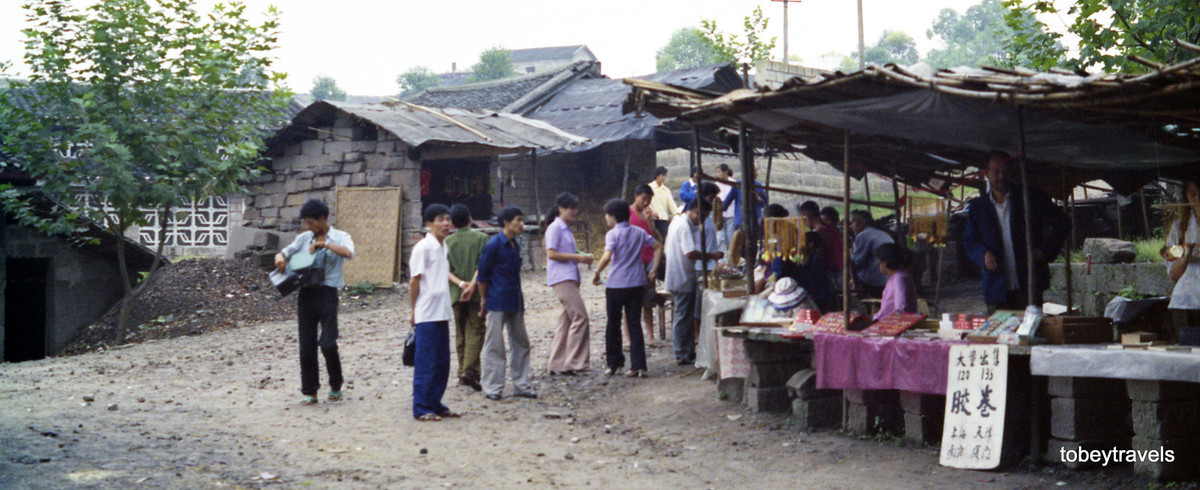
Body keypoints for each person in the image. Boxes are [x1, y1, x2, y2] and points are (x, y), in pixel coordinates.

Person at [962, 151, 1068, 313]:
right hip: (996, 287)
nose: (1001, 176)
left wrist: (1044, 251)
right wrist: (983, 254)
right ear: (986, 174)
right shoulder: (978, 207)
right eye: (996, 171)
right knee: (999, 328)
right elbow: (970, 240)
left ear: (1012, 171)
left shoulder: (1030, 197)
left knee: (1031, 326)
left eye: (1005, 170)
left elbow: (1063, 223)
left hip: (1029, 282)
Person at [275, 199, 355, 406]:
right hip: (306, 294)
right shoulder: (303, 238)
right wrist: (280, 258)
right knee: (307, 345)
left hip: (328, 294)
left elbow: (349, 253)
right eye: (306, 222)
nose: (308, 226)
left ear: (322, 219)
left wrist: (325, 245)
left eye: (311, 222)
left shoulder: (340, 236)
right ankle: (310, 391)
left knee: (328, 343)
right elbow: (285, 252)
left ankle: (336, 385)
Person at [408, 204, 467, 421]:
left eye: (448, 219)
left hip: (441, 311)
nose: (446, 224)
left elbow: (443, 274)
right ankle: (421, 407)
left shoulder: (443, 247)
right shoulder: (423, 247)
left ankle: (435, 402)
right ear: (429, 223)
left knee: (442, 363)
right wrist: (413, 310)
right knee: (427, 362)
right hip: (426, 313)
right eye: (440, 219)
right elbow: (414, 280)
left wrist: (461, 285)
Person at [593, 198, 662, 378]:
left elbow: (607, 256)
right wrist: (653, 269)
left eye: (607, 215)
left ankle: (614, 363)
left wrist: (597, 272)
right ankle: (639, 365)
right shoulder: (639, 232)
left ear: (613, 216)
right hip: (636, 283)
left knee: (613, 324)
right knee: (634, 324)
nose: (606, 218)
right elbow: (657, 247)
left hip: (616, 284)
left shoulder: (612, 234)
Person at [476, 207, 536, 401]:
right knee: (494, 344)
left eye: (522, 220)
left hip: (514, 299)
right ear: (506, 222)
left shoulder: (514, 245)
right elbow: (482, 276)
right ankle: (493, 387)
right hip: (496, 300)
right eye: (518, 220)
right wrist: (484, 299)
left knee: (521, 342)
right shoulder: (493, 245)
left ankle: (522, 384)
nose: (521, 224)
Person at [665, 198, 723, 365]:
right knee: (683, 316)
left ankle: (686, 351)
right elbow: (690, 252)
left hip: (680, 274)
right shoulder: (683, 225)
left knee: (684, 315)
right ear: (696, 212)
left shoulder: (677, 221)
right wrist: (711, 255)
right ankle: (682, 353)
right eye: (702, 217)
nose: (702, 221)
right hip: (681, 276)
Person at [544, 193, 594, 375]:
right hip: (561, 278)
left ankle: (556, 364)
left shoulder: (566, 228)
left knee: (565, 322)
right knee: (581, 317)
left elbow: (568, 251)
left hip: (570, 277)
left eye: (575, 208)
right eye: (570, 208)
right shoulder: (555, 228)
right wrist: (578, 258)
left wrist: (582, 256)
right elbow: (552, 254)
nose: (574, 211)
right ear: (561, 208)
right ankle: (574, 362)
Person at [444, 204, 487, 391]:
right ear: (470, 219)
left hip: (455, 293)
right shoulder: (481, 238)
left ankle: (462, 371)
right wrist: (472, 284)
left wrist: (461, 284)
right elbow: (482, 265)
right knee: (475, 331)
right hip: (476, 293)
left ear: (453, 223)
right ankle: (470, 371)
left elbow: (446, 270)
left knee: (460, 332)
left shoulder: (447, 242)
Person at [1163, 176, 1200, 341]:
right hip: (1185, 301)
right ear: (1186, 196)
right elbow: (1173, 274)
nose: (1197, 199)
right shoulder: (1180, 228)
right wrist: (1185, 254)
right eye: (1193, 194)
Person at [628, 184, 662, 346]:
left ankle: (650, 335)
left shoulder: (649, 215)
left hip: (649, 260)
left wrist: (650, 223)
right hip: (633, 261)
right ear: (636, 196)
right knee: (630, 302)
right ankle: (628, 337)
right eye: (643, 199)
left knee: (648, 300)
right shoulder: (627, 213)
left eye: (649, 200)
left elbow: (657, 238)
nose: (646, 203)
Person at [849, 210, 894, 298]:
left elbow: (857, 261)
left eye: (853, 222)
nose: (851, 226)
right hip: (888, 277)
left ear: (862, 222)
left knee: (850, 262)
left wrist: (850, 255)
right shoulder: (882, 233)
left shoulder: (863, 235)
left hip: (874, 280)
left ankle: (856, 289)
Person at [873, 243, 918, 321]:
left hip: (894, 323)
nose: (877, 265)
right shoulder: (895, 278)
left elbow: (901, 308)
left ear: (885, 262)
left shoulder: (899, 278)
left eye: (879, 261)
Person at [798, 201, 843, 275]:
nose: (803, 223)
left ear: (808, 216)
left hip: (831, 273)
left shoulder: (822, 232)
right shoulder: (830, 228)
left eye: (803, 219)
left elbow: (820, 256)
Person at [722, 166, 766, 233]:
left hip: (755, 220)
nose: (757, 173)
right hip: (740, 220)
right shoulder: (738, 184)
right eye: (755, 171)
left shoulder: (758, 185)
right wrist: (720, 209)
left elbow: (764, 203)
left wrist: (757, 198)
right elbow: (728, 199)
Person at [647, 166, 681, 240]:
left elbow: (671, 204)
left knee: (667, 237)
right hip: (651, 218)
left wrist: (677, 213)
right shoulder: (649, 188)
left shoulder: (666, 190)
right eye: (662, 175)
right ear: (657, 176)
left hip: (663, 218)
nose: (664, 178)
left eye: (665, 176)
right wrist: (651, 211)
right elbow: (646, 202)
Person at [714, 164, 737, 248]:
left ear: (725, 172)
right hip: (719, 214)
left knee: (730, 236)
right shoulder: (716, 184)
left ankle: (730, 254)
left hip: (731, 213)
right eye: (717, 172)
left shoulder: (733, 183)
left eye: (719, 172)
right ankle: (720, 255)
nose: (717, 174)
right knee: (720, 237)